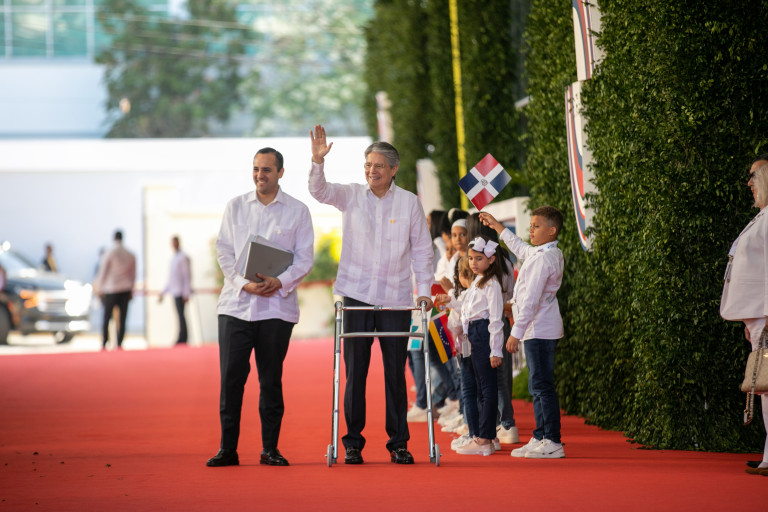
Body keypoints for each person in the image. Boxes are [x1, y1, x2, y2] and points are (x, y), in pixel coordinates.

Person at [309, 124, 433, 465]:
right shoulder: (350, 195)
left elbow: (423, 251)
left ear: (393, 169)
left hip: (396, 298)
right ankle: (352, 444)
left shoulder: (409, 203)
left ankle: (399, 444)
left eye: (378, 166)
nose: (371, 171)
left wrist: (424, 291)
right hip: (356, 296)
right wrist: (318, 162)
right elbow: (319, 191)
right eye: (367, 165)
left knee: (395, 374)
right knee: (355, 374)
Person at [206, 147, 314, 468]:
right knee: (231, 380)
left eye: (266, 169)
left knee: (270, 381)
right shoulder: (236, 206)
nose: (259, 175)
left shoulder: (298, 211)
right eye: (255, 169)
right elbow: (224, 251)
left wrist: (280, 281)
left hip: (276, 309)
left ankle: (270, 449)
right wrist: (243, 283)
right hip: (235, 306)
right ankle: (227, 449)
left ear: (280, 172)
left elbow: (305, 258)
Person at [480, 207, 565, 459]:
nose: (531, 230)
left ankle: (552, 440)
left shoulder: (545, 258)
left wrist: (515, 333)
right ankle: (540, 436)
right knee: (537, 384)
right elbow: (519, 246)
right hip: (537, 328)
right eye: (531, 225)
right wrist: (496, 225)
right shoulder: (543, 253)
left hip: (539, 329)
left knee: (541, 386)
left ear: (552, 231)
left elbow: (530, 301)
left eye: (537, 226)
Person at [720, 153, 768, 475]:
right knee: (764, 388)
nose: (749, 183)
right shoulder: (762, 217)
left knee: (767, 387)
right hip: (759, 317)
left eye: (755, 176)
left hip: (765, 316)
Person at [436, 236, 505, 455]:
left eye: (479, 259)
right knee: (479, 387)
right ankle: (483, 437)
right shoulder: (477, 282)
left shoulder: (492, 285)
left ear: (491, 259)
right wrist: (450, 301)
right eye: (471, 258)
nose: (474, 263)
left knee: (486, 387)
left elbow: (496, 320)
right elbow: (466, 309)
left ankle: (485, 439)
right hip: (472, 333)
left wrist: (496, 349)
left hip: (483, 333)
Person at [94, 230, 136, 351]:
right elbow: (133, 274)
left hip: (111, 289)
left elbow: (103, 272)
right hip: (125, 289)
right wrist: (131, 289)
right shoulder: (130, 254)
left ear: (114, 238)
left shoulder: (109, 253)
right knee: (122, 318)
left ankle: (105, 341)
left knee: (107, 317)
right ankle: (119, 342)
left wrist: (99, 289)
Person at [158, 235, 192, 345]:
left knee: (181, 315)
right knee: (179, 315)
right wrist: (163, 292)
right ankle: (181, 336)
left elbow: (187, 276)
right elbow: (171, 279)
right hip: (175, 291)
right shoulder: (174, 258)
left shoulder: (183, 257)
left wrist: (186, 293)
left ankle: (183, 338)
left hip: (181, 292)